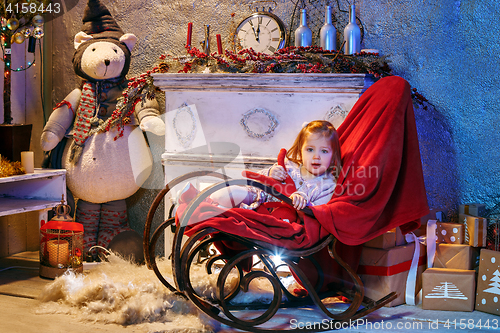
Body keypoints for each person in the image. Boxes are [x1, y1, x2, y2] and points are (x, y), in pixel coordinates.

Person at [210, 120, 341, 210]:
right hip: (257, 198)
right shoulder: (290, 165)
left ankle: (222, 211)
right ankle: (209, 205)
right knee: (223, 194)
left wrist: (303, 201)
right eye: (310, 149)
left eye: (324, 151)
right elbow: (259, 179)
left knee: (225, 206)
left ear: (333, 154)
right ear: (301, 149)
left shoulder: (327, 184)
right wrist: (271, 172)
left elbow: (317, 215)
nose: (316, 156)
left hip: (282, 217)